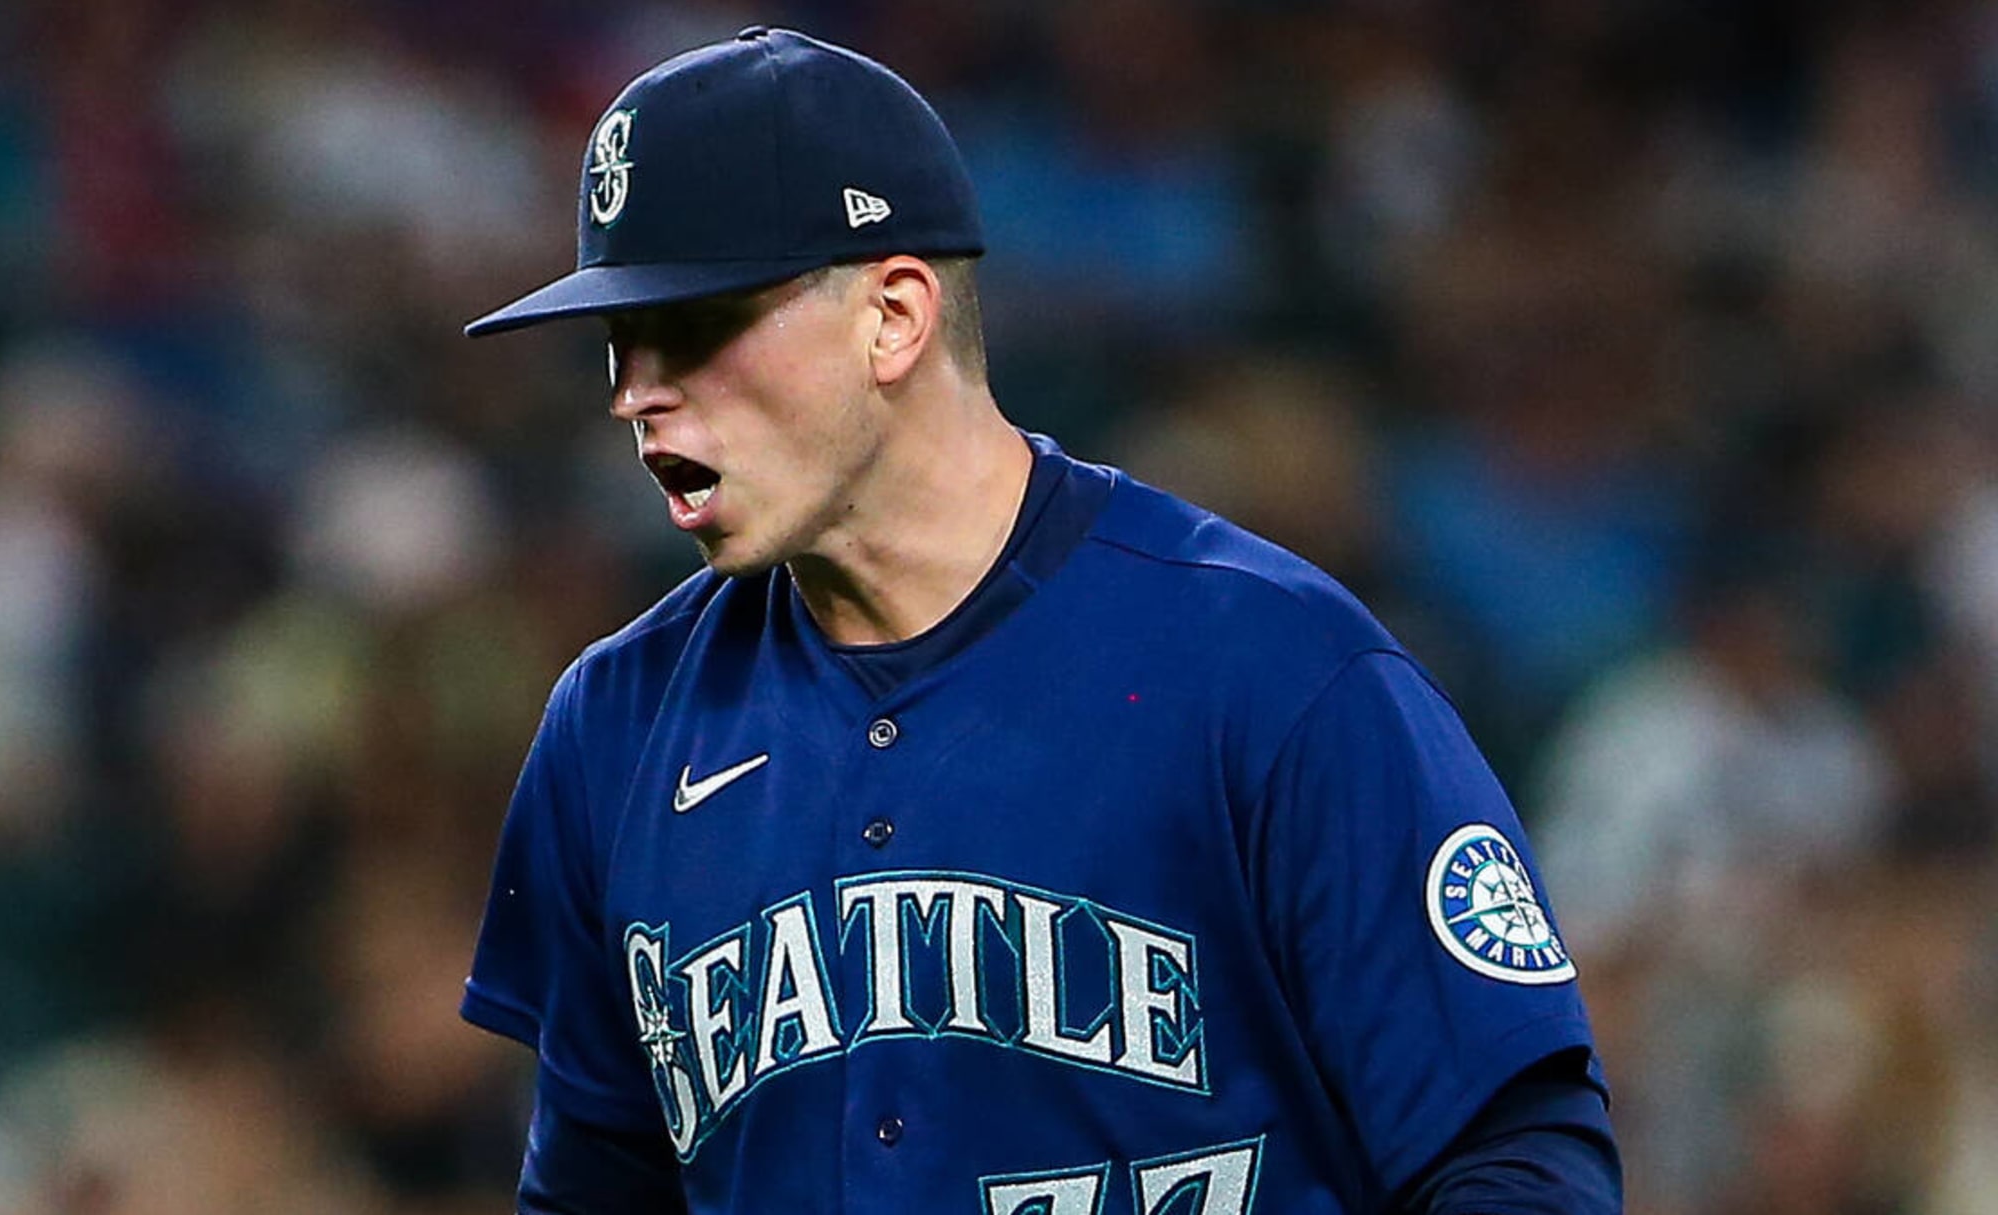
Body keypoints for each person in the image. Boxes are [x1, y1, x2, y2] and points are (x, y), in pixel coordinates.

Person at [458, 26, 1621, 1215]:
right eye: (620, 338)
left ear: (893, 317)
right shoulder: (617, 727)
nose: (633, 391)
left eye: (693, 328)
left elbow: (1516, 1156)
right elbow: (596, 1190)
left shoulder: (1268, 671)